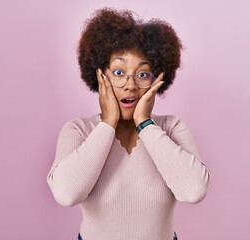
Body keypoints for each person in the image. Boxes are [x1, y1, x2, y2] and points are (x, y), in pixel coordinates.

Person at [47, 8, 211, 240]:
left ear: (158, 80)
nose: (130, 85)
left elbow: (194, 191)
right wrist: (107, 124)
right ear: (100, 75)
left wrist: (145, 124)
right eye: (118, 72)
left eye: (142, 74)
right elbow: (66, 194)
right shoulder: (79, 130)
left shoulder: (172, 128)